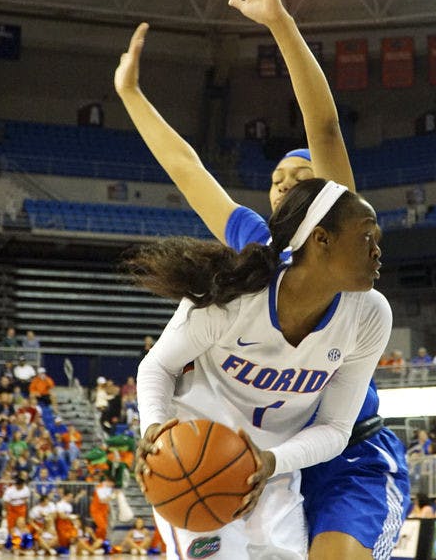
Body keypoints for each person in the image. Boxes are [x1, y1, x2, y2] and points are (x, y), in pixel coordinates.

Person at [115, 0, 409, 560]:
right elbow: (186, 167)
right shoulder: (248, 257)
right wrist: (133, 98)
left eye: (297, 182)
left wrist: (279, 21)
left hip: (332, 440)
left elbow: (323, 130)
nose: (281, 189)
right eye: (275, 181)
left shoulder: (351, 247)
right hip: (242, 443)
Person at [134, 178, 391, 559]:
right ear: (321, 239)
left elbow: (335, 429)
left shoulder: (370, 314)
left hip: (274, 471)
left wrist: (272, 461)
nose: (377, 252)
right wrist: (155, 428)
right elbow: (157, 366)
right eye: (366, 238)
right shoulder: (234, 296)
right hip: (194, 462)